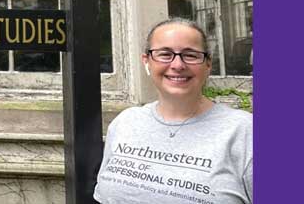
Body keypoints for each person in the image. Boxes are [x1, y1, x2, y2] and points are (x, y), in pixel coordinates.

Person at [93, 18, 252, 204]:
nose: (177, 65)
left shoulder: (244, 131)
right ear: (147, 61)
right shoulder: (125, 123)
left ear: (208, 64)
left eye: (191, 55)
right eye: (165, 54)